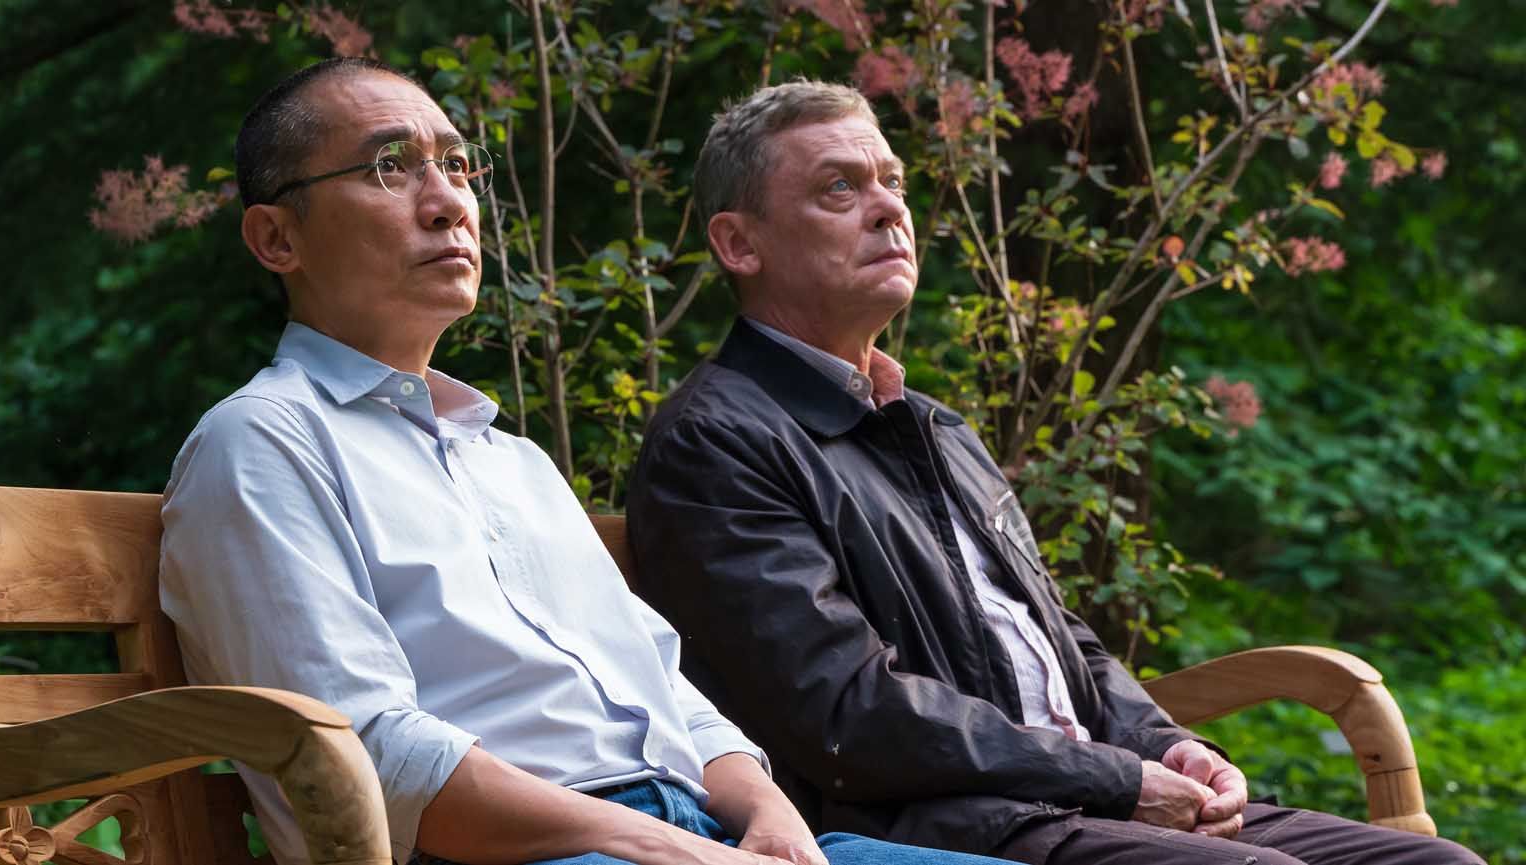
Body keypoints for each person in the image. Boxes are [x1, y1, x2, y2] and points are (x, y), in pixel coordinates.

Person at [159, 58, 1029, 865]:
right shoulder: (263, 443)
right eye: (391, 166)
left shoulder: (511, 461)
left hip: (691, 836)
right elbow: (366, 755)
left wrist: (768, 813)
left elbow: (664, 687)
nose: (448, 201)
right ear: (277, 238)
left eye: (457, 166)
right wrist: (663, 844)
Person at [624, 80, 1484, 865]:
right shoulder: (717, 442)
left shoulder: (934, 427)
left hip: (1071, 795)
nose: (888, 208)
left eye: (892, 181)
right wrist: (1115, 777)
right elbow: (847, 714)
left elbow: (1060, 641)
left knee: (1437, 864)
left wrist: (1168, 745)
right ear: (739, 244)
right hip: (930, 824)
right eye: (840, 189)